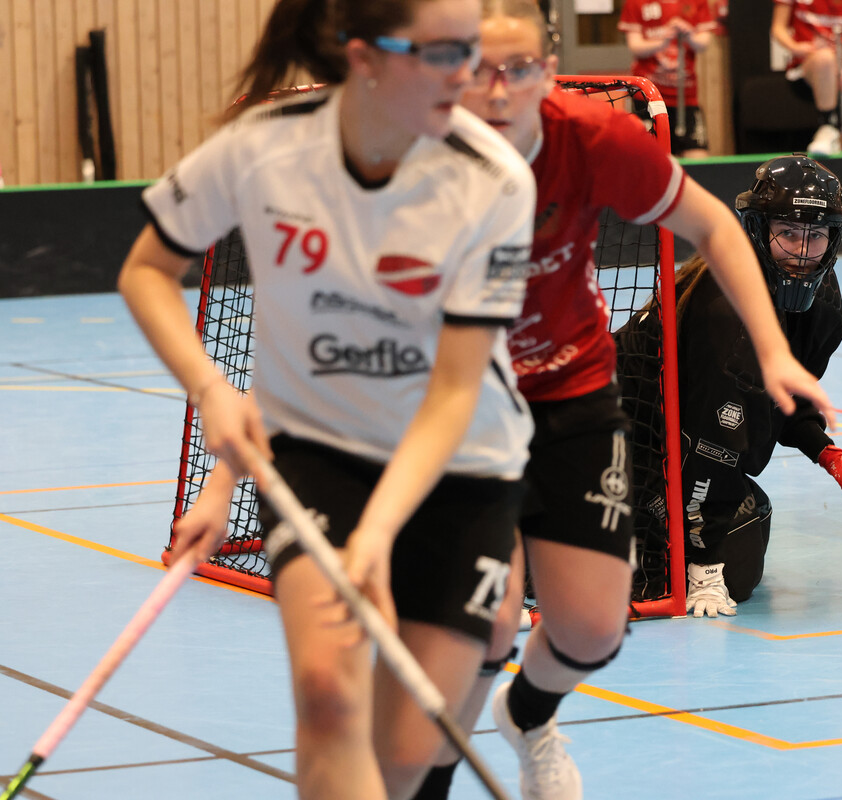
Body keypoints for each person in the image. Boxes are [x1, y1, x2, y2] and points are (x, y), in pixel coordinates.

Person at [414, 3, 839, 798]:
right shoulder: (410, 150)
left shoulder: (588, 136)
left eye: (519, 69)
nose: (498, 89)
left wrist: (776, 350)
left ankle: (528, 716)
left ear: (549, 70)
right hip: (460, 402)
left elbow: (714, 226)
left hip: (573, 392)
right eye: (478, 68)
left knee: (592, 627)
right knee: (487, 623)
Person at [117, 0, 538, 798]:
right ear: (365, 57)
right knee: (326, 696)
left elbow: (454, 390)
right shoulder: (262, 147)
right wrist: (212, 392)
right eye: (441, 52)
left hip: (461, 465)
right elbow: (146, 269)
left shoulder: (492, 180)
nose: (468, 75)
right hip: (317, 455)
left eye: (471, 49)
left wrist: (375, 534)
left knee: (406, 753)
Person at [615, 155, 842, 616]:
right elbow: (709, 444)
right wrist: (705, 569)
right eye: (788, 233)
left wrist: (826, 451)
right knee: (670, 571)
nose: (802, 252)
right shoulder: (722, 310)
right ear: (757, 230)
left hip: (692, 445)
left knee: (741, 557)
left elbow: (778, 397)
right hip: (627, 442)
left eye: (816, 235)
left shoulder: (823, 308)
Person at [619, 0, 718, 157]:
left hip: (685, 98)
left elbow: (703, 43)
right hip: (646, 98)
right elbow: (635, 46)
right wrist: (663, 41)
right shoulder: (637, 3)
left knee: (697, 156)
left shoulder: (697, 2)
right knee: (649, 157)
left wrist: (689, 35)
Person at [771, 0, 842, 155]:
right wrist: (795, 47)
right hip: (808, 63)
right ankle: (828, 126)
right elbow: (778, 28)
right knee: (825, 59)